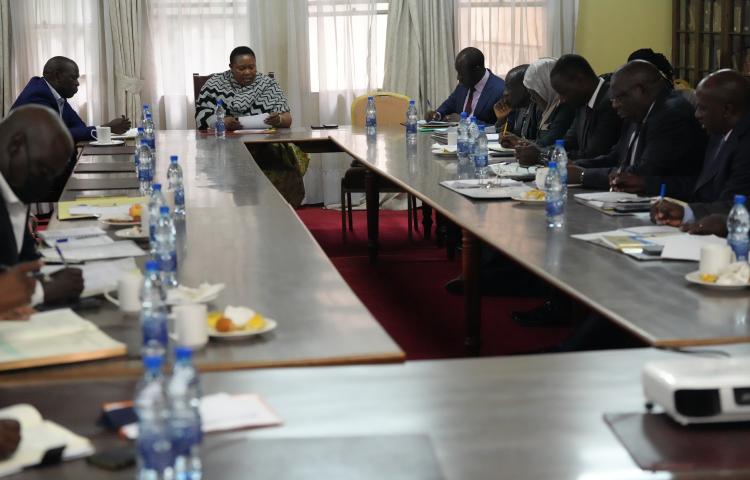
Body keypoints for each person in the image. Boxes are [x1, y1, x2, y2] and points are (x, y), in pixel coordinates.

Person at [195, 46, 309, 207]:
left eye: (251, 67)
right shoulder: (215, 84)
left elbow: (287, 119)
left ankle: (278, 210)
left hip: (265, 146)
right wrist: (222, 121)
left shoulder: (267, 84)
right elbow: (201, 118)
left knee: (285, 168)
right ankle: (234, 212)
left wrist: (278, 120)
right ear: (231, 67)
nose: (248, 72)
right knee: (229, 171)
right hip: (227, 148)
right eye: (242, 68)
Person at [567, 60, 706, 192]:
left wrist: (583, 175)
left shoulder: (671, 115)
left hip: (669, 205)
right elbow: (615, 157)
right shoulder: (637, 111)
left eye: (618, 98)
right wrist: (574, 165)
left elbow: (643, 173)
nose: (614, 105)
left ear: (639, 91)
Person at [0, 105, 84, 305]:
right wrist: (42, 291)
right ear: (16, 146)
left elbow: (24, 259)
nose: (45, 187)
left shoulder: (16, 179)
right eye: (44, 171)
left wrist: (45, 272)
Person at [651, 69, 750, 227]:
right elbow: (703, 190)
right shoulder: (718, 131)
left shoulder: (746, 143)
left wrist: (687, 212)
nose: (697, 115)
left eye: (703, 108)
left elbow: (737, 206)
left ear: (727, 110)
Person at [516, 54, 622, 165]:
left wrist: (541, 156)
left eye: (563, 93)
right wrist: (538, 152)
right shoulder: (582, 102)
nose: (561, 100)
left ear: (580, 81)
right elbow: (568, 142)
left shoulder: (610, 103)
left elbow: (592, 155)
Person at [12, 56, 131, 143]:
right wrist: (107, 128)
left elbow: (80, 128)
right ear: (58, 77)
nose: (77, 83)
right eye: (73, 78)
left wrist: (104, 129)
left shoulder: (57, 95)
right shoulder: (37, 95)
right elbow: (55, 136)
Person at [505, 58, 575, 150]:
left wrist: (519, 142)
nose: (532, 99)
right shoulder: (548, 107)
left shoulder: (565, 108)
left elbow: (550, 143)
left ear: (546, 86)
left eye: (534, 94)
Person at [425, 47, 505, 125]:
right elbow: (448, 105)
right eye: (458, 72)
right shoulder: (463, 85)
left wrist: (465, 121)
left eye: (462, 73)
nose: (458, 78)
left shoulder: (500, 90)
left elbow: (501, 128)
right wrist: (436, 115)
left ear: (477, 70)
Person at [493, 65, 538, 139]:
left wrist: (518, 142)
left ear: (526, 88)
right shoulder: (519, 107)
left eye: (509, 87)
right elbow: (507, 136)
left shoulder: (539, 109)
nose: (505, 93)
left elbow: (541, 144)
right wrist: (502, 119)